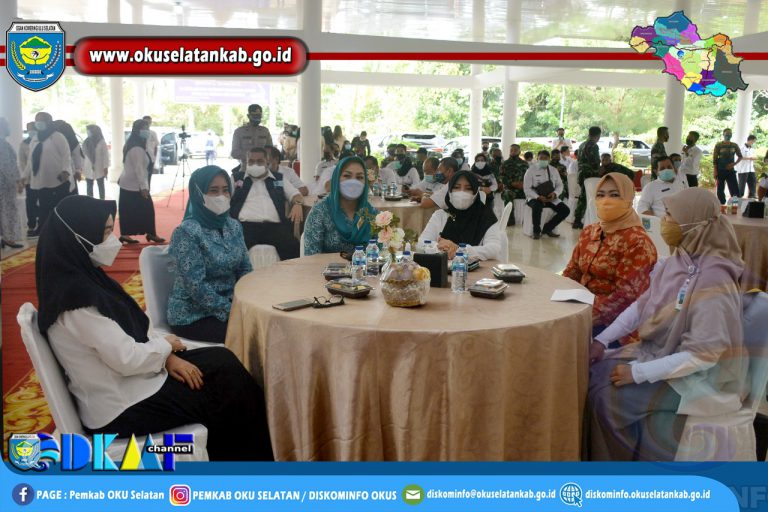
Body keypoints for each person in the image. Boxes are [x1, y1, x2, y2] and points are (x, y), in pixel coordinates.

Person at [37, 194, 272, 461]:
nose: (112, 240)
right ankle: (251, 466)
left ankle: (249, 456)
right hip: (122, 407)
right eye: (104, 232)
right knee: (225, 394)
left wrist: (167, 357)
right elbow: (126, 359)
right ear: (79, 236)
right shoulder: (75, 302)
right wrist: (165, 348)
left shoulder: (81, 279)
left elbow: (133, 332)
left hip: (133, 381)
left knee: (223, 360)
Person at [587, 188, 747, 461]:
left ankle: (625, 472)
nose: (664, 221)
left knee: (606, 400)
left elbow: (704, 355)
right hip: (663, 355)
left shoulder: (714, 280)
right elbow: (642, 306)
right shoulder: (678, 262)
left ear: (695, 225)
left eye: (671, 215)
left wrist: (638, 373)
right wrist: (602, 341)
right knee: (593, 374)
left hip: (701, 379)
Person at [563, 173, 657, 336]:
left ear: (628, 199)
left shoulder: (637, 242)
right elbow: (572, 271)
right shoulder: (590, 232)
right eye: (601, 195)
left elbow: (627, 297)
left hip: (614, 325)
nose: (606, 201)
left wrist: (581, 317)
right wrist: (560, 297)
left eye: (614, 195)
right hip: (579, 307)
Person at [168, 166, 252, 343]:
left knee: (270, 323)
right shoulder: (186, 232)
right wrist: (231, 310)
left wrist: (249, 300)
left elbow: (245, 269)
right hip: (194, 315)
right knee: (252, 335)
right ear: (198, 194)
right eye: (213, 191)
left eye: (225, 190)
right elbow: (195, 286)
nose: (221, 196)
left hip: (233, 305)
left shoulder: (233, 226)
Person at [230, 147, 303, 259]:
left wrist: (297, 204)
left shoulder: (278, 179)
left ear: (267, 162)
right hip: (245, 227)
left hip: (274, 227)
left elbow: (296, 195)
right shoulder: (237, 179)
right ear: (247, 162)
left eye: (259, 161)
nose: (255, 164)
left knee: (294, 250)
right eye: (251, 161)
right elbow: (225, 198)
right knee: (234, 255)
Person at [303, 156, 378, 256]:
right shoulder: (320, 212)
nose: (353, 182)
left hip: (365, 266)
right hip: (325, 266)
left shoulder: (371, 214)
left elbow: (380, 254)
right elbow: (311, 257)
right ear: (336, 179)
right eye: (347, 176)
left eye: (359, 177)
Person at [418, 171, 500, 261]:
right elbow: (421, 242)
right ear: (449, 191)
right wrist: (440, 246)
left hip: (476, 268)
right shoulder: (440, 215)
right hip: (442, 267)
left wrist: (459, 250)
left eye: (468, 188)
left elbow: (494, 248)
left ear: (475, 192)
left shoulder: (486, 217)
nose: (462, 192)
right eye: (456, 187)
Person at [118, 119, 165, 244]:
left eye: (147, 128)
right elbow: (139, 169)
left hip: (130, 183)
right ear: (137, 131)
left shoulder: (137, 143)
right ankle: (148, 234)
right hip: (133, 185)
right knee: (146, 209)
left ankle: (146, 233)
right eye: (144, 128)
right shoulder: (136, 148)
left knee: (131, 210)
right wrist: (143, 187)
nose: (147, 131)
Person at [24, 112, 71, 235]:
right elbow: (30, 160)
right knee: (43, 206)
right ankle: (43, 229)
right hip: (40, 179)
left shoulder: (57, 136)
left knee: (56, 207)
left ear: (48, 121)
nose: (38, 123)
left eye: (41, 120)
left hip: (57, 179)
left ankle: (59, 230)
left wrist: (65, 170)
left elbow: (66, 155)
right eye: (36, 120)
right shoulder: (35, 138)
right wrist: (24, 176)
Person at [523, 150, 570, 239]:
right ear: (537, 158)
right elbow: (527, 189)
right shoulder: (530, 170)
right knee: (537, 207)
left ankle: (547, 228)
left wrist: (555, 194)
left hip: (550, 197)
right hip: (534, 197)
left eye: (546, 158)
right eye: (541, 158)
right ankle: (536, 232)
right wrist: (537, 197)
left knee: (565, 210)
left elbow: (560, 185)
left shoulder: (553, 170)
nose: (543, 160)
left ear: (549, 159)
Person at [573, 126, 602, 229]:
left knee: (583, 196)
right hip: (590, 174)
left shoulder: (582, 144)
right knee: (587, 197)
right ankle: (579, 220)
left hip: (581, 173)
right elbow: (595, 162)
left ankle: (578, 219)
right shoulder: (593, 145)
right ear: (598, 135)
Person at [0, 117, 23, 249]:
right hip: (5, 185)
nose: (9, 128)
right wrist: (17, 181)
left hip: (4, 183)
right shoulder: (2, 144)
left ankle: (6, 237)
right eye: (7, 125)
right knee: (8, 210)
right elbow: (6, 165)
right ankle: (9, 238)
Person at [18, 122, 38, 237]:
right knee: (30, 202)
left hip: (41, 178)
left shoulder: (40, 141)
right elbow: (22, 162)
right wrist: (25, 177)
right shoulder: (23, 144)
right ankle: (31, 225)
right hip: (29, 179)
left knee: (42, 202)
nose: (31, 131)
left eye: (33, 129)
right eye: (29, 129)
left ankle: (42, 223)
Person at [52, 120, 83, 196]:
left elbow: (77, 157)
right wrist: (78, 171)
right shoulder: (53, 140)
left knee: (68, 194)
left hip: (68, 173)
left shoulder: (72, 142)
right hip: (57, 174)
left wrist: (78, 171)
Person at [713, 128, 742, 204]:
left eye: (730, 134)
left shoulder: (734, 145)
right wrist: (715, 170)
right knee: (720, 189)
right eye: (727, 134)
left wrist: (734, 164)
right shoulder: (718, 145)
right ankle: (721, 204)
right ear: (723, 134)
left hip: (731, 170)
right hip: (720, 170)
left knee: (734, 189)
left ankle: (735, 204)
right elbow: (715, 159)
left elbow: (740, 156)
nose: (728, 135)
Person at [500, 144, 528, 225]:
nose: (513, 152)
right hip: (510, 188)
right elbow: (501, 177)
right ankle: (510, 219)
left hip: (523, 188)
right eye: (511, 150)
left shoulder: (525, 164)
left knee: (533, 194)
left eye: (515, 150)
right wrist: (512, 183)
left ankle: (528, 220)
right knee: (507, 194)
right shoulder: (505, 164)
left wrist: (524, 184)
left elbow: (529, 177)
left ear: (519, 151)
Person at [82, 124, 109, 200]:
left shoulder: (101, 142)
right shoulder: (86, 142)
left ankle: (102, 201)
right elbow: (83, 155)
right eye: (87, 131)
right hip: (88, 167)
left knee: (101, 185)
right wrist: (81, 167)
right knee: (89, 186)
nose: (88, 132)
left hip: (99, 168)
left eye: (89, 131)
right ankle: (90, 202)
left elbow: (106, 156)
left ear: (95, 131)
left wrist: (105, 167)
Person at [142, 116, 160, 185]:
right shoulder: (139, 133)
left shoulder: (153, 133)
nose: (147, 124)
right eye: (146, 122)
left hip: (150, 157)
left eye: (149, 122)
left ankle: (147, 189)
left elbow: (156, 146)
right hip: (141, 157)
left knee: (148, 176)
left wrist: (154, 158)